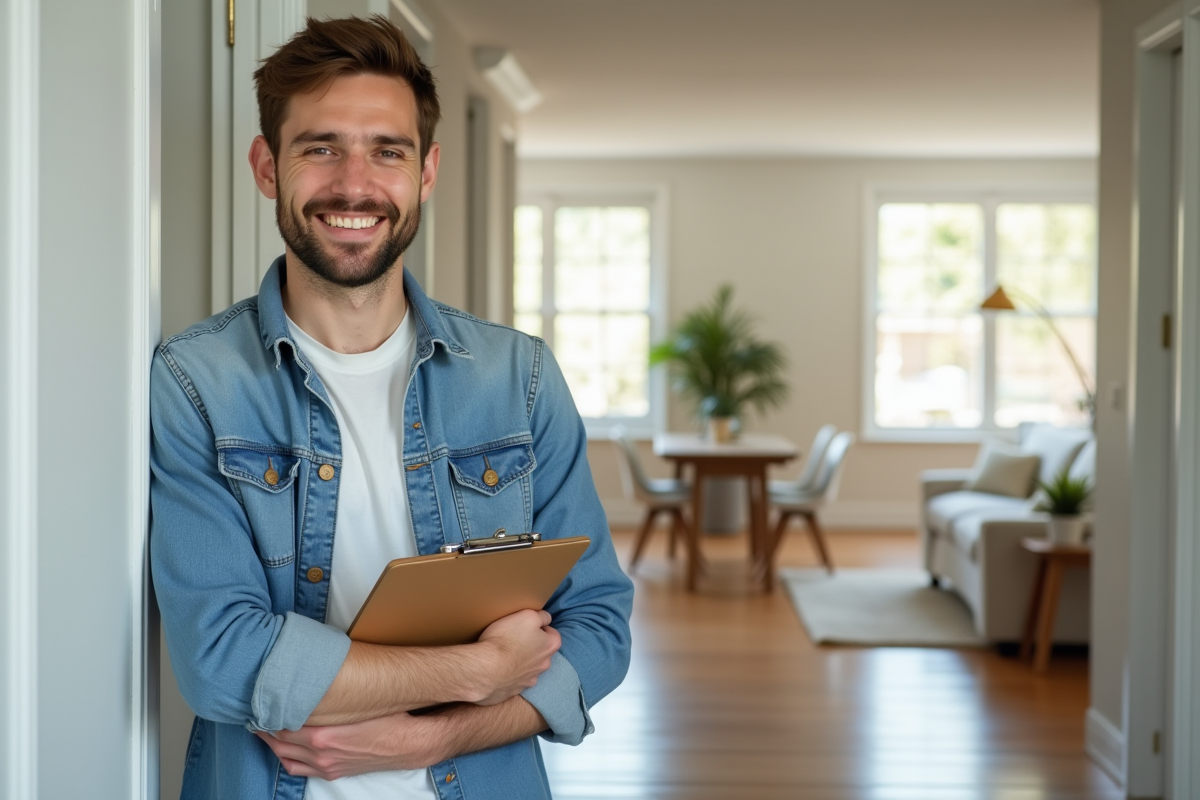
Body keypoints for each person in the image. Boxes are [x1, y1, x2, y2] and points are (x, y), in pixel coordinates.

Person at [150, 15, 633, 800]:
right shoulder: (197, 382)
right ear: (267, 167)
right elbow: (221, 661)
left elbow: (600, 628)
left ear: (426, 171)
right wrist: (477, 670)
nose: (355, 184)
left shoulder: (519, 378)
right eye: (321, 148)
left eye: (388, 151)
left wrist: (434, 735)